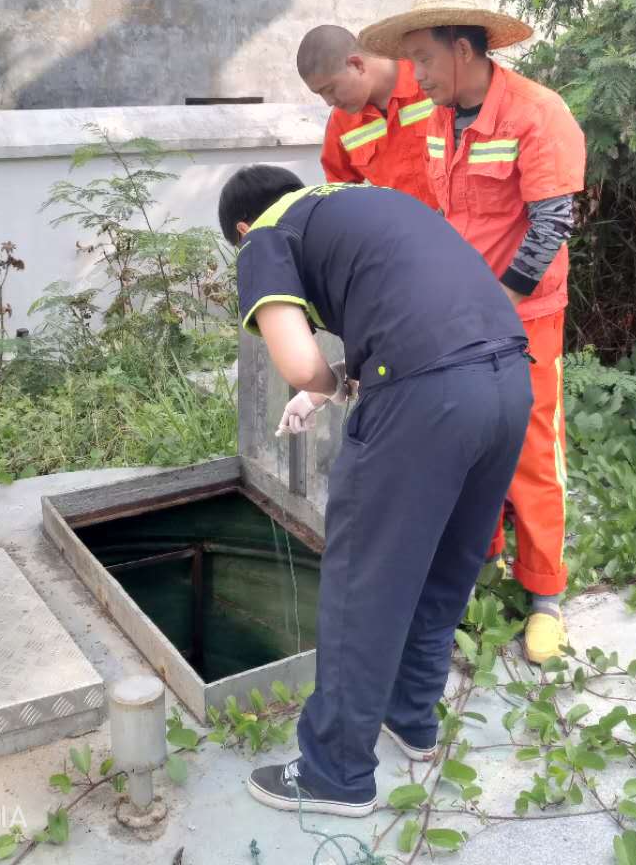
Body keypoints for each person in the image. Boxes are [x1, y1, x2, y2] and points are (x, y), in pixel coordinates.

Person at [218, 165, 533, 816]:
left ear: (243, 228)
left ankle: (334, 770)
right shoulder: (365, 202)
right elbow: (412, 318)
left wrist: (323, 386)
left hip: (428, 399)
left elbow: (297, 360)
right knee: (445, 564)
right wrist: (325, 390)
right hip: (507, 381)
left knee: (362, 580)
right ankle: (412, 716)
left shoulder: (264, 236)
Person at [359, 0, 586, 665]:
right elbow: (439, 215)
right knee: (462, 439)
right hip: (462, 315)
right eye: (410, 62)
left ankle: (546, 596)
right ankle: (479, 560)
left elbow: (551, 226)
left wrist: (496, 303)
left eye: (424, 59)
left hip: (527, 316)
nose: (417, 75)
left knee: (531, 449)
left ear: (463, 50)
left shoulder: (538, 114)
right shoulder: (435, 121)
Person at [296, 24, 439, 209]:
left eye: (330, 89)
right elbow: (341, 195)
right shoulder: (341, 123)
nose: (328, 102)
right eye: (320, 94)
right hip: (398, 227)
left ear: (357, 64)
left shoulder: (429, 78)